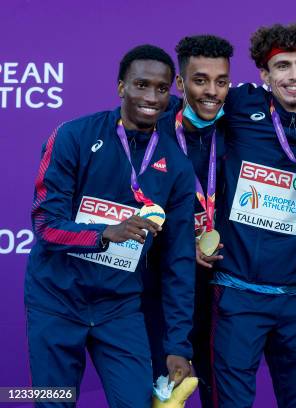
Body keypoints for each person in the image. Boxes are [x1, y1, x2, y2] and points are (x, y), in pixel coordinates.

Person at [26, 44, 195, 408]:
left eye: (162, 89)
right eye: (141, 85)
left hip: (119, 308)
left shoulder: (177, 166)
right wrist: (104, 234)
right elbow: (45, 223)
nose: (151, 97)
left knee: (136, 403)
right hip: (56, 300)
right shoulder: (73, 136)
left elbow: (179, 262)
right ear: (121, 87)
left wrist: (178, 344)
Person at [209, 23, 296, 408]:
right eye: (282, 66)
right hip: (238, 293)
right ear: (265, 75)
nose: (294, 76)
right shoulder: (239, 106)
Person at [143, 34, 233, 408]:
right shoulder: (152, 130)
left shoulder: (242, 127)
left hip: (224, 285)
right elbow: (132, 207)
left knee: (218, 390)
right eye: (200, 80)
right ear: (180, 84)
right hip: (161, 287)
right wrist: (181, 246)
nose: (211, 91)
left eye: (221, 81)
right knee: (165, 390)